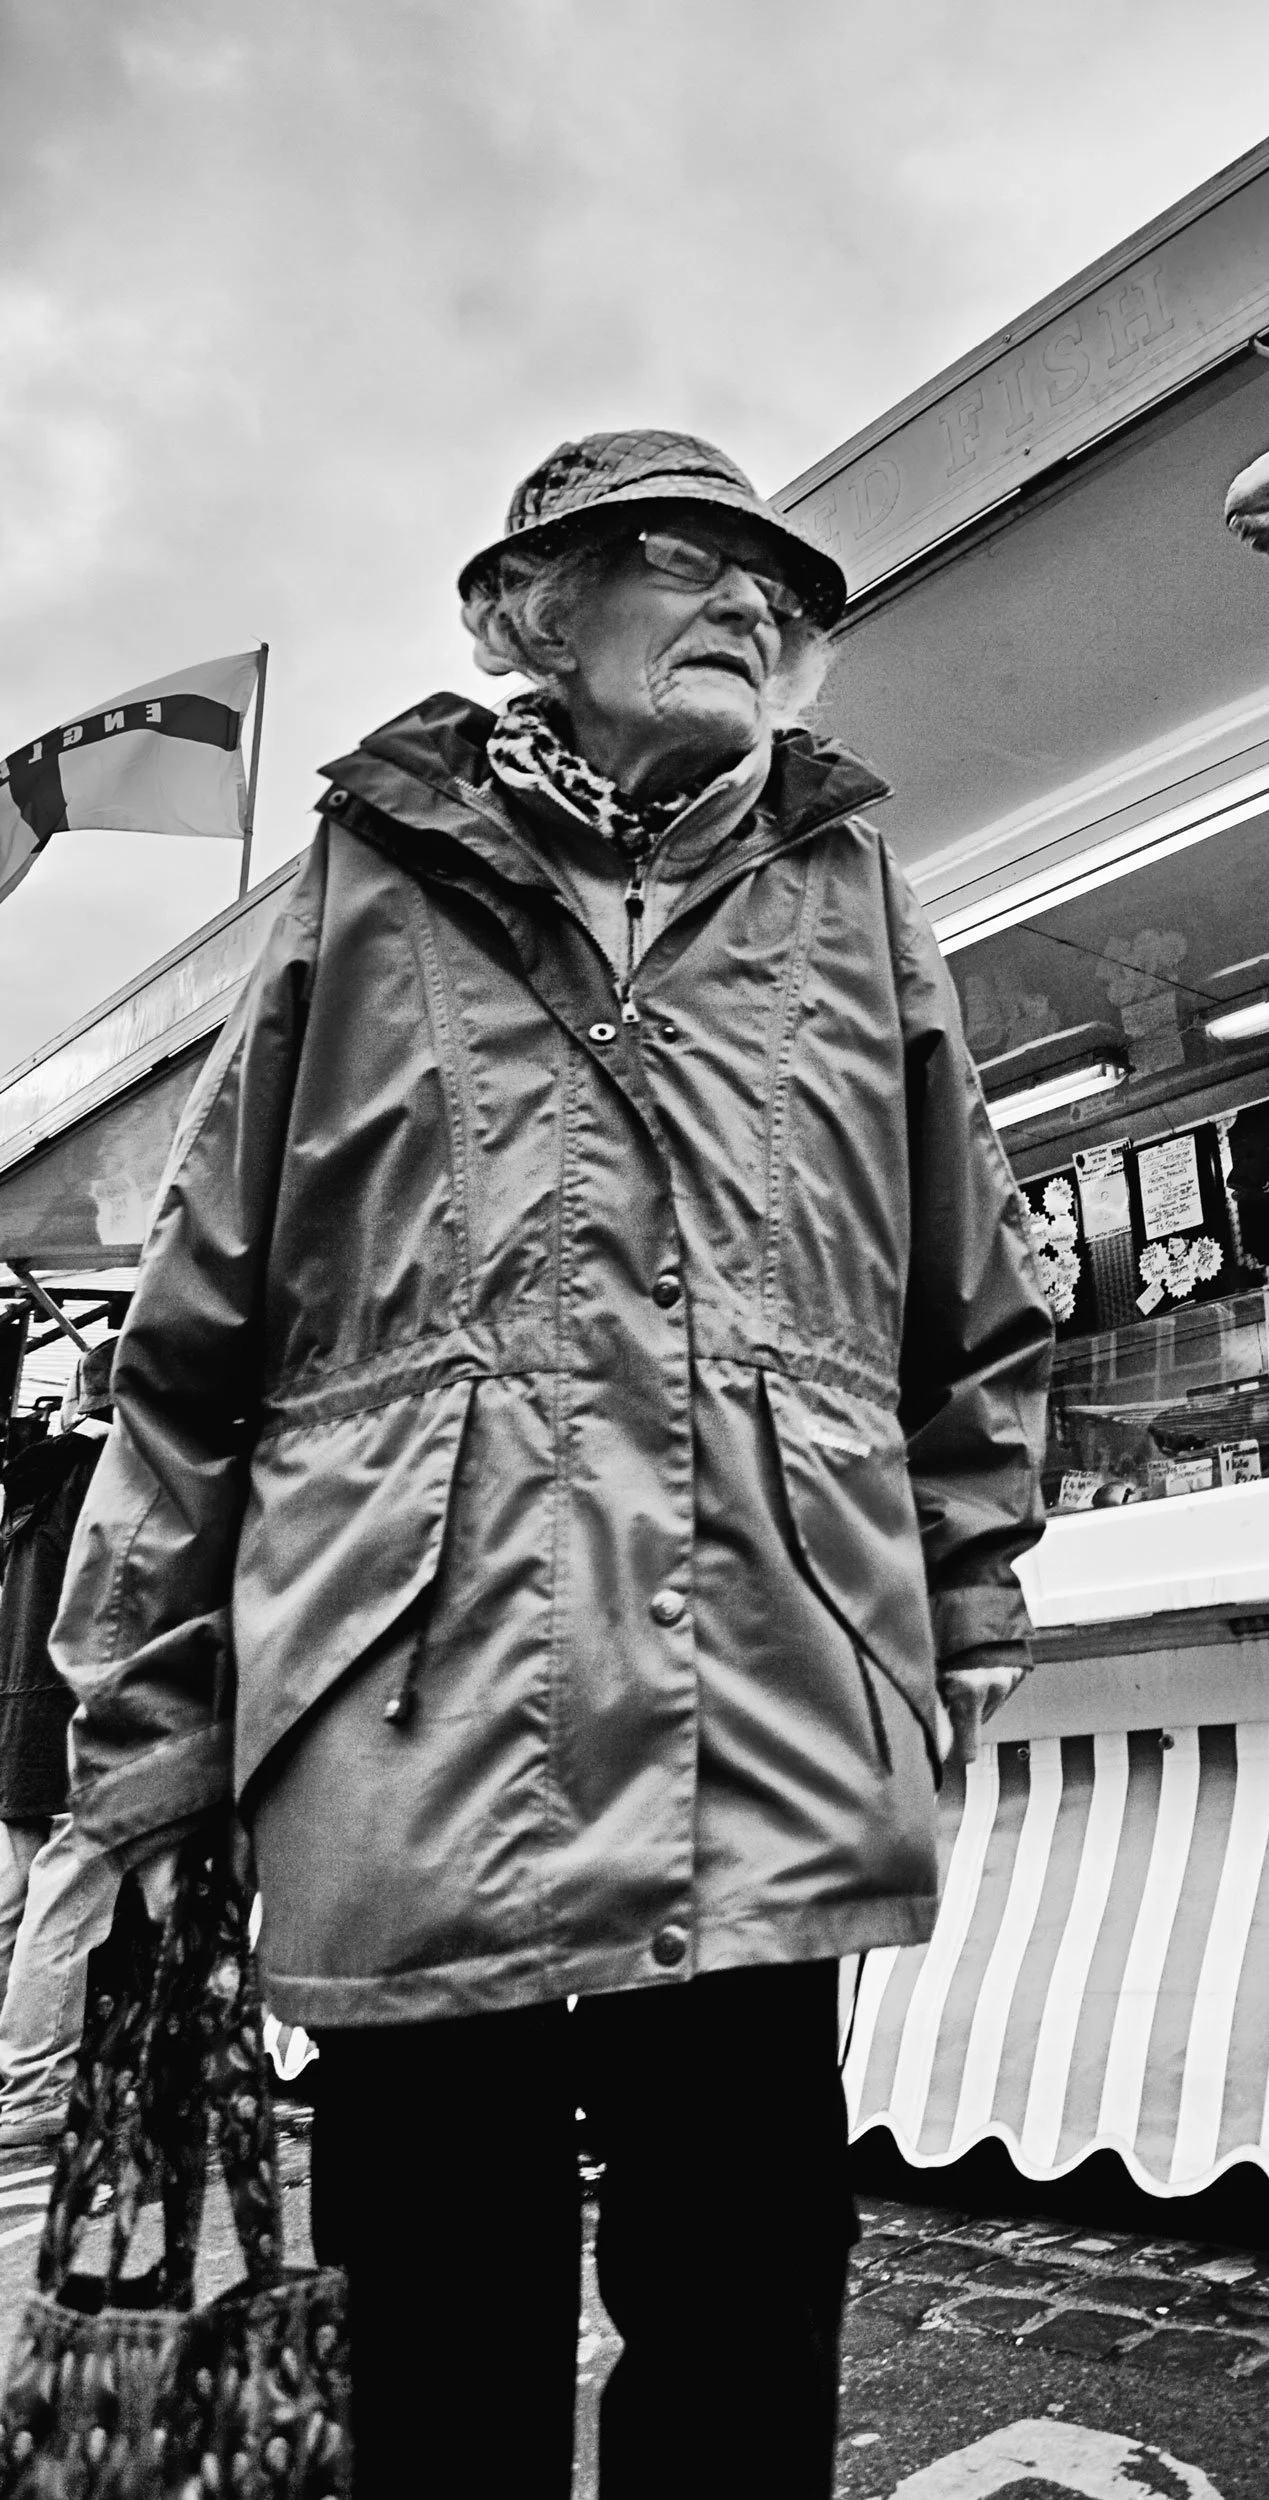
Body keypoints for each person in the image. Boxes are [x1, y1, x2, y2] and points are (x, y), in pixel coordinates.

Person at [51, 431, 1052, 2498]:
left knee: (749, 2279)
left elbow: (966, 1287)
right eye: (682, 559)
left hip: (767, 1668)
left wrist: (964, 1602)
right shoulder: (370, 882)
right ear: (529, 613)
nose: (753, 604)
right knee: (438, 2304)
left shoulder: (855, 890)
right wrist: (143, 1718)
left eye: (780, 586)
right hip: (417, 1694)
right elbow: (200, 1315)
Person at [0, 1340, 121, 2148]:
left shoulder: (30, 1484)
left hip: (14, 1710)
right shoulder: (103, 1479)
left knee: (15, 1901)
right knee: (67, 1902)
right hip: (75, 1708)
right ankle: (35, 2085)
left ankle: (13, 2075)